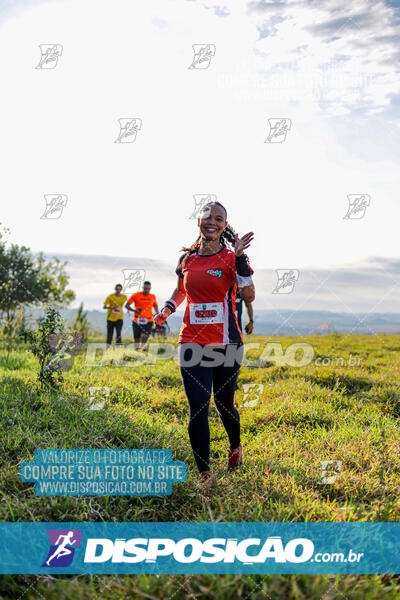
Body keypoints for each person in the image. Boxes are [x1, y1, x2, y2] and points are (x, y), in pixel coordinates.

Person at [154, 201, 255, 486]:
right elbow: (181, 289)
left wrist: (239, 258)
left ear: (225, 225)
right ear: (199, 221)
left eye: (219, 218)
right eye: (208, 217)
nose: (212, 222)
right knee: (198, 406)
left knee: (224, 404)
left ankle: (235, 447)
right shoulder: (187, 259)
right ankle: (204, 474)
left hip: (226, 344)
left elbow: (249, 296)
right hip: (191, 342)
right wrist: (168, 308)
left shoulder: (232, 257)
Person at [125, 281, 158, 348]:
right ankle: (137, 352)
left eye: (148, 289)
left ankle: (142, 349)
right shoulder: (135, 295)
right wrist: (134, 310)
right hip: (137, 320)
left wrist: (157, 313)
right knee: (137, 339)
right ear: (142, 287)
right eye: (145, 288)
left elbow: (155, 305)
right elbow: (127, 305)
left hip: (148, 321)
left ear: (150, 288)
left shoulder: (152, 296)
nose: (146, 290)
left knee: (144, 336)